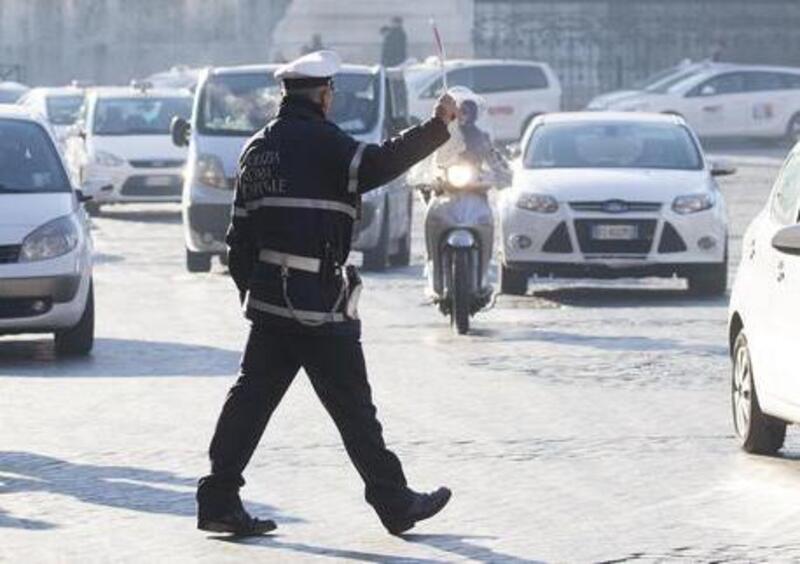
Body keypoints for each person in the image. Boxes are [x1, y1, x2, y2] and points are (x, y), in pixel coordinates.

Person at [196, 50, 458, 537]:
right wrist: (437, 125)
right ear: (322, 95)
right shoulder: (326, 143)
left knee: (248, 403)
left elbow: (239, 238)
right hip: (318, 303)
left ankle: (218, 498)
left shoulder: (257, 148)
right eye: (331, 92)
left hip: (272, 303)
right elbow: (380, 163)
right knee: (354, 407)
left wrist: (254, 298)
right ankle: (394, 501)